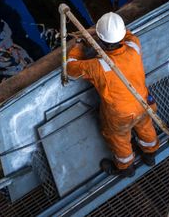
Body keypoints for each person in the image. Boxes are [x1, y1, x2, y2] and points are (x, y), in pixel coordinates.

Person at [66, 12, 159, 177]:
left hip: (120, 116)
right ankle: (150, 154)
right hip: (143, 102)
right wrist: (99, 33)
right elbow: (128, 35)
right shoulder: (134, 46)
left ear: (101, 41)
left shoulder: (97, 66)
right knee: (145, 126)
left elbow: (71, 68)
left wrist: (79, 45)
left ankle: (126, 168)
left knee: (119, 139)